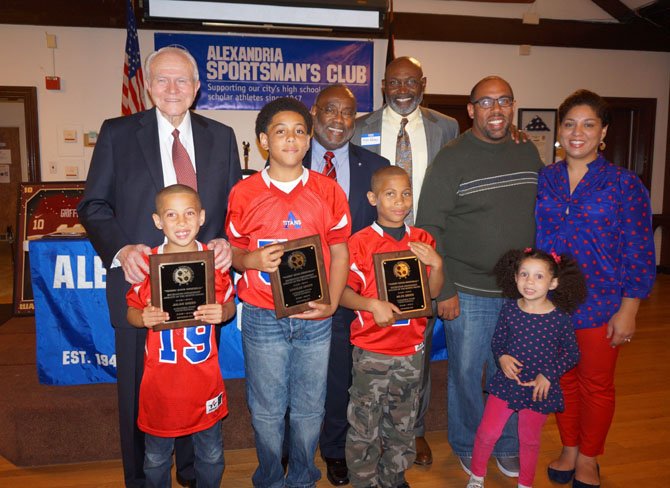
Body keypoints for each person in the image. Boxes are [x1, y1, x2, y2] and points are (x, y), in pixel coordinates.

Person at [77, 46, 242, 488]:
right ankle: (141, 480)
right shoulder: (117, 133)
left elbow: (232, 208)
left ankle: (191, 473)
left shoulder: (222, 136)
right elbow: (92, 205)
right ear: (148, 86)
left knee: (191, 383)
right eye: (163, 80)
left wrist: (227, 240)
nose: (173, 89)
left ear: (197, 87)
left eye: (182, 80)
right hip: (140, 289)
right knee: (140, 391)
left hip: (201, 287)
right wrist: (122, 250)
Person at [415, 76, 544, 478]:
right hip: (467, 291)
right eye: (486, 102)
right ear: (470, 110)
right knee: (468, 374)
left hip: (520, 293)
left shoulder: (528, 153)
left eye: (504, 100)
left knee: (514, 371)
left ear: (513, 105)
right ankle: (469, 443)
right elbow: (429, 230)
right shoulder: (451, 158)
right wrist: (445, 289)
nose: (496, 109)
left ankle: (505, 443)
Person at [226, 97, 351, 488]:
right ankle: (268, 476)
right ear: (264, 140)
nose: (291, 138)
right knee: (265, 409)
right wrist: (251, 262)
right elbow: (232, 249)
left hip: (316, 318)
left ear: (309, 138)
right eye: (281, 131)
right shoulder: (243, 192)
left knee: (310, 408)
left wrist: (330, 303)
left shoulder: (328, 191)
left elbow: (339, 249)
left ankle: (301, 477)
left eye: (300, 131)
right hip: (263, 316)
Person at [535, 89, 656, 488]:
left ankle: (589, 456)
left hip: (601, 303)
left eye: (588, 124)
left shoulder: (624, 184)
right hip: (551, 303)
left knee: (596, 384)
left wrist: (630, 309)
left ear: (602, 131)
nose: (577, 132)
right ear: (559, 129)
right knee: (562, 381)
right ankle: (569, 447)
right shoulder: (545, 179)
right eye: (569, 123)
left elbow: (639, 249)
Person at [351, 56, 459, 465]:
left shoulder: (446, 127)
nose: (402, 88)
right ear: (383, 85)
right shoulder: (360, 128)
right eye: (394, 81)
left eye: (410, 81)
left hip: (422, 246)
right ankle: (366, 428)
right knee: (370, 344)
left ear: (423, 83)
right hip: (374, 248)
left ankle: (411, 430)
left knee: (419, 342)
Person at [303, 84, 389, 486]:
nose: (338, 119)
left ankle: (335, 450)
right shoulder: (288, 154)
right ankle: (294, 449)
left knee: (340, 376)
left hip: (349, 292)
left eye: (348, 112)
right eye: (330, 110)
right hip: (295, 290)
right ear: (314, 111)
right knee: (294, 377)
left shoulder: (375, 165)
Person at [126, 184, 236, 488]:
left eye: (189, 213)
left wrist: (223, 313)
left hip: (204, 380)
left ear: (201, 217)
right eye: (171, 215)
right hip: (161, 384)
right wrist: (143, 317)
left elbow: (229, 303)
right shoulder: (148, 263)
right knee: (157, 458)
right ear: (157, 221)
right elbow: (131, 311)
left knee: (212, 454)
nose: (182, 222)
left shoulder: (213, 260)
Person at [340, 166, 443, 488]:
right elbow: (341, 293)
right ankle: (363, 481)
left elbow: (434, 292)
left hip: (411, 352)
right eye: (390, 194)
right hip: (372, 352)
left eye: (406, 193)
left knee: (402, 425)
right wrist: (372, 304)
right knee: (364, 427)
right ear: (373, 198)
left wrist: (437, 264)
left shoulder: (422, 240)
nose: (399, 201)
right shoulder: (358, 243)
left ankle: (394, 478)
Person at [466, 248, 587, 488]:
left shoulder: (560, 317)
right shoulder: (510, 309)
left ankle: (526, 484)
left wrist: (548, 375)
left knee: (529, 440)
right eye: (524, 274)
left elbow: (572, 353)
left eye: (538, 276)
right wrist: (501, 358)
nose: (530, 281)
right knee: (487, 433)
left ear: (553, 283)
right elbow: (498, 341)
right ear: (515, 278)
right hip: (506, 383)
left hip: (538, 389)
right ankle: (477, 477)